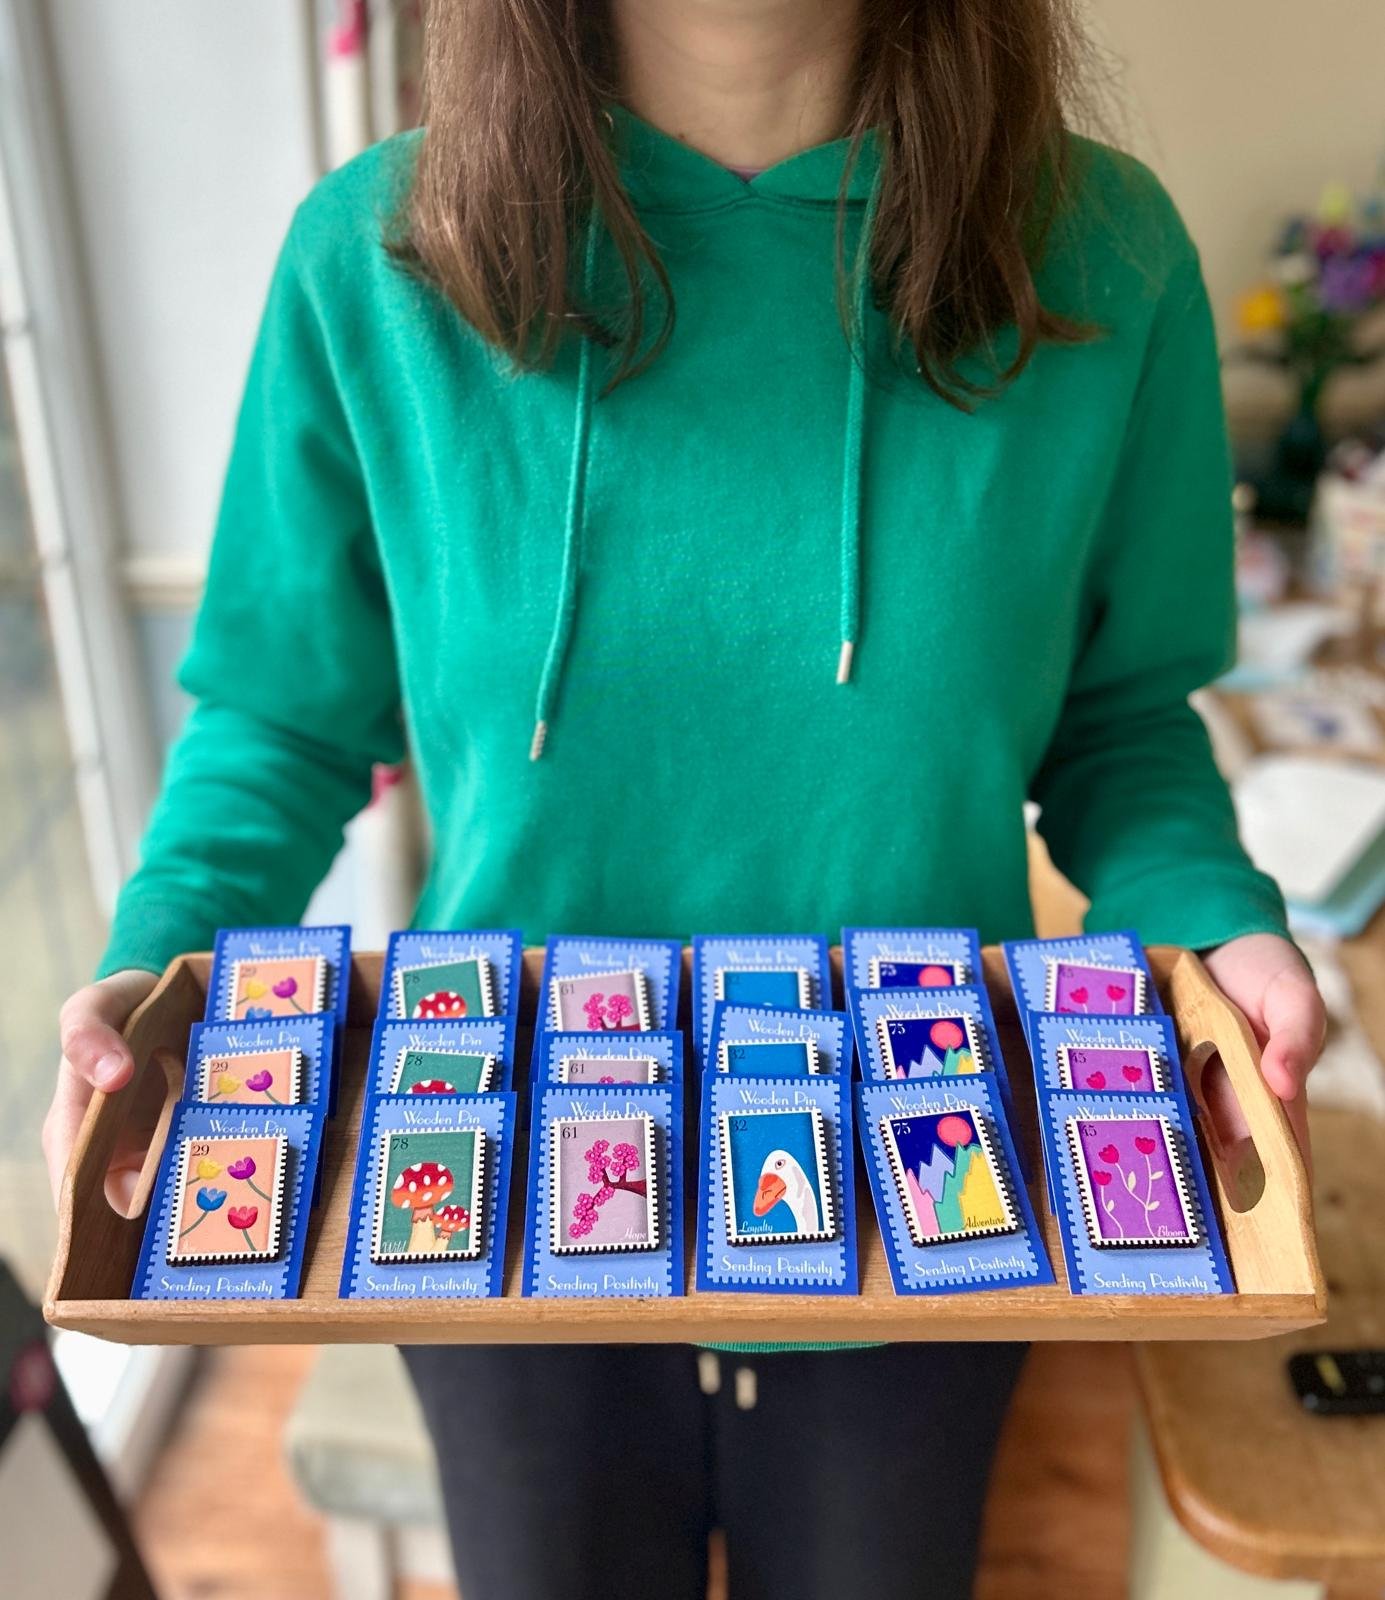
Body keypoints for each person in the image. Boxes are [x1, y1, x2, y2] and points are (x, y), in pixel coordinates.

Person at [45, 2, 1325, 1596]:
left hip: (928, 1203)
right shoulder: (372, 253)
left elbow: (1119, 724)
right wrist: (157, 960)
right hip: (492, 1208)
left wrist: (1214, 923)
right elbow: (286, 723)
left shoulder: (1101, 251)